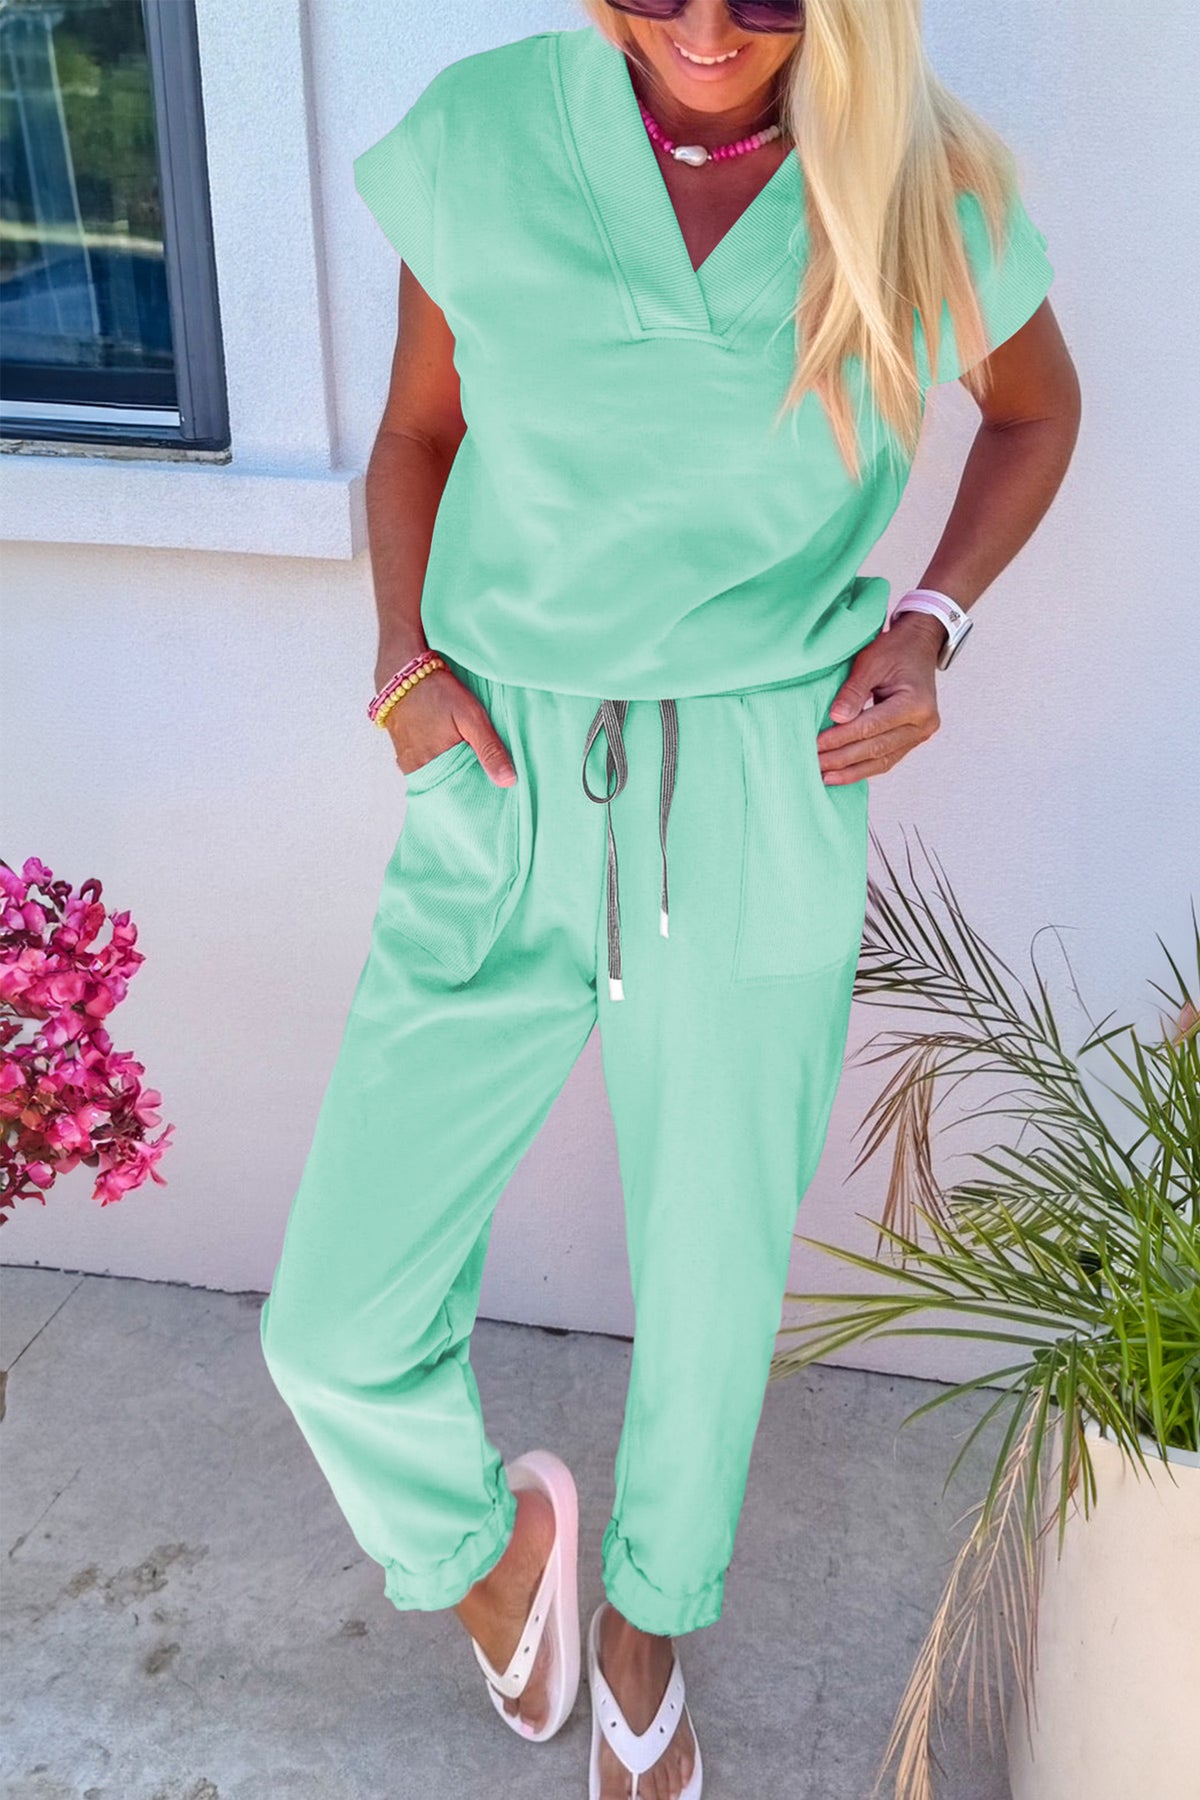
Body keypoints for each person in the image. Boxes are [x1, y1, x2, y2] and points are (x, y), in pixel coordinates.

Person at [259, 2, 1081, 1794]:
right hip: (502, 776)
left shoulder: (918, 179)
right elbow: (417, 434)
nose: (708, 28)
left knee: (712, 1268)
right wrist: (401, 659)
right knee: (332, 1322)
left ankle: (647, 1626)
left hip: (758, 782)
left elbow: (1033, 411)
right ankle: (497, 1562)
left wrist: (932, 623)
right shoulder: (483, 139)